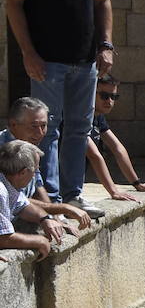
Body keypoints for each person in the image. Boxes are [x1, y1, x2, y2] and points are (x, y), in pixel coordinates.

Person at [3, 0, 114, 218]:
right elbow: (13, 4)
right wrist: (28, 52)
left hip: (85, 58)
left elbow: (102, 0)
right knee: (47, 129)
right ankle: (49, 197)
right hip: (46, 59)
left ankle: (73, 194)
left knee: (79, 127)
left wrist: (106, 44)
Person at [0, 97, 97, 228]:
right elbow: (14, 199)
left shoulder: (29, 146)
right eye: (34, 126)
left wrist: (54, 218)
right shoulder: (4, 151)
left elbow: (38, 186)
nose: (40, 133)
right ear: (13, 124)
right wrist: (63, 209)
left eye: (43, 126)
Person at [85, 75, 145, 201]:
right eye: (104, 96)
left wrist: (137, 183)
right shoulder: (79, 117)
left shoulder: (98, 116)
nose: (109, 101)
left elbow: (117, 148)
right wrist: (114, 192)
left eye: (114, 97)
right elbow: (94, 156)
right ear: (90, 93)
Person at [0, 139, 70, 258]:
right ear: (23, 172)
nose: (35, 175)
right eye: (35, 171)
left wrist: (45, 219)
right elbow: (3, 238)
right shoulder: (1, 191)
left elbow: (23, 206)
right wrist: (39, 241)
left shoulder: (9, 184)